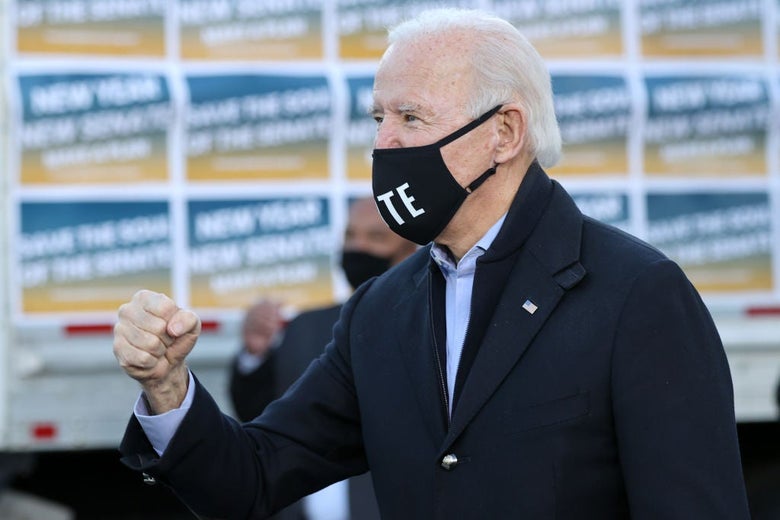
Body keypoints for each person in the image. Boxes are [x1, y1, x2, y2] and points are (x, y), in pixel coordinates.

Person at [113, 8, 751, 519]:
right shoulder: (380, 310)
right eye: (378, 117)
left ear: (504, 133)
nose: (383, 142)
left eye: (410, 117)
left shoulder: (634, 293)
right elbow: (252, 478)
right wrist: (167, 388)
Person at [228, 197, 416, 520]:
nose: (358, 247)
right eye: (349, 236)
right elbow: (263, 420)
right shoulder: (306, 326)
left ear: (411, 251)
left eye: (376, 238)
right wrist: (255, 355)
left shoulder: (427, 325)